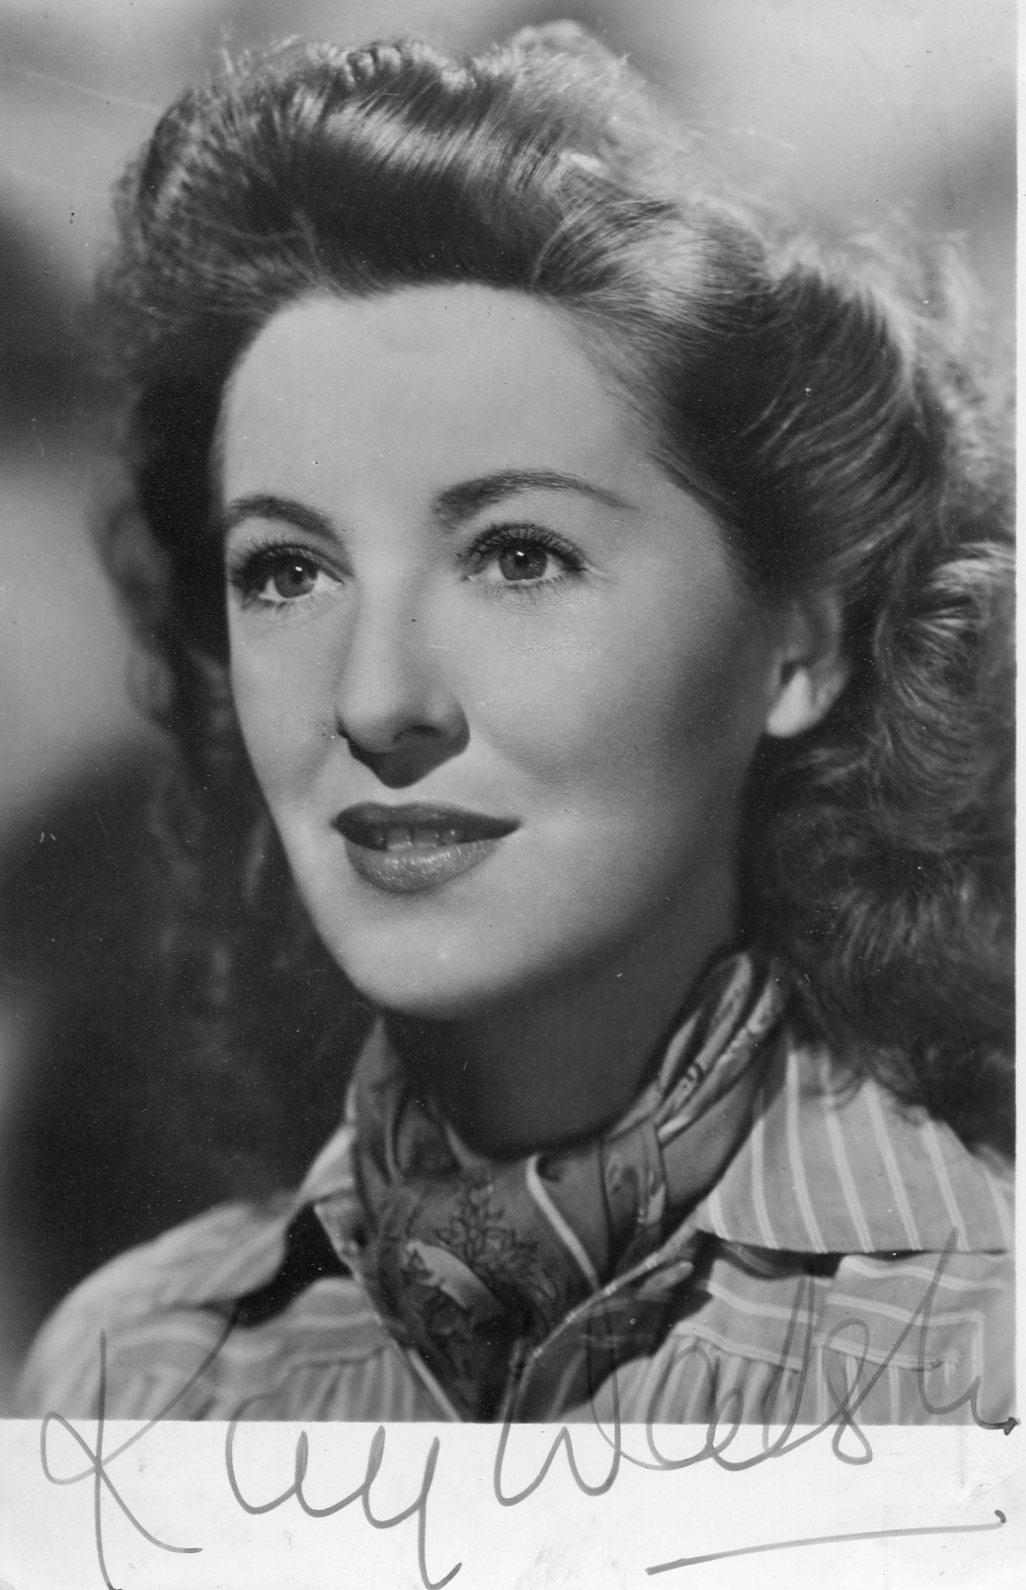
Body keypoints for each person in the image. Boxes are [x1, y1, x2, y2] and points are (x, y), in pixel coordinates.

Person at [17, 24, 1013, 1427]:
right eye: (286, 572)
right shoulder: (136, 1377)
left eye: (518, 555)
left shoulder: (992, 1340)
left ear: (801, 645)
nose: (376, 700)